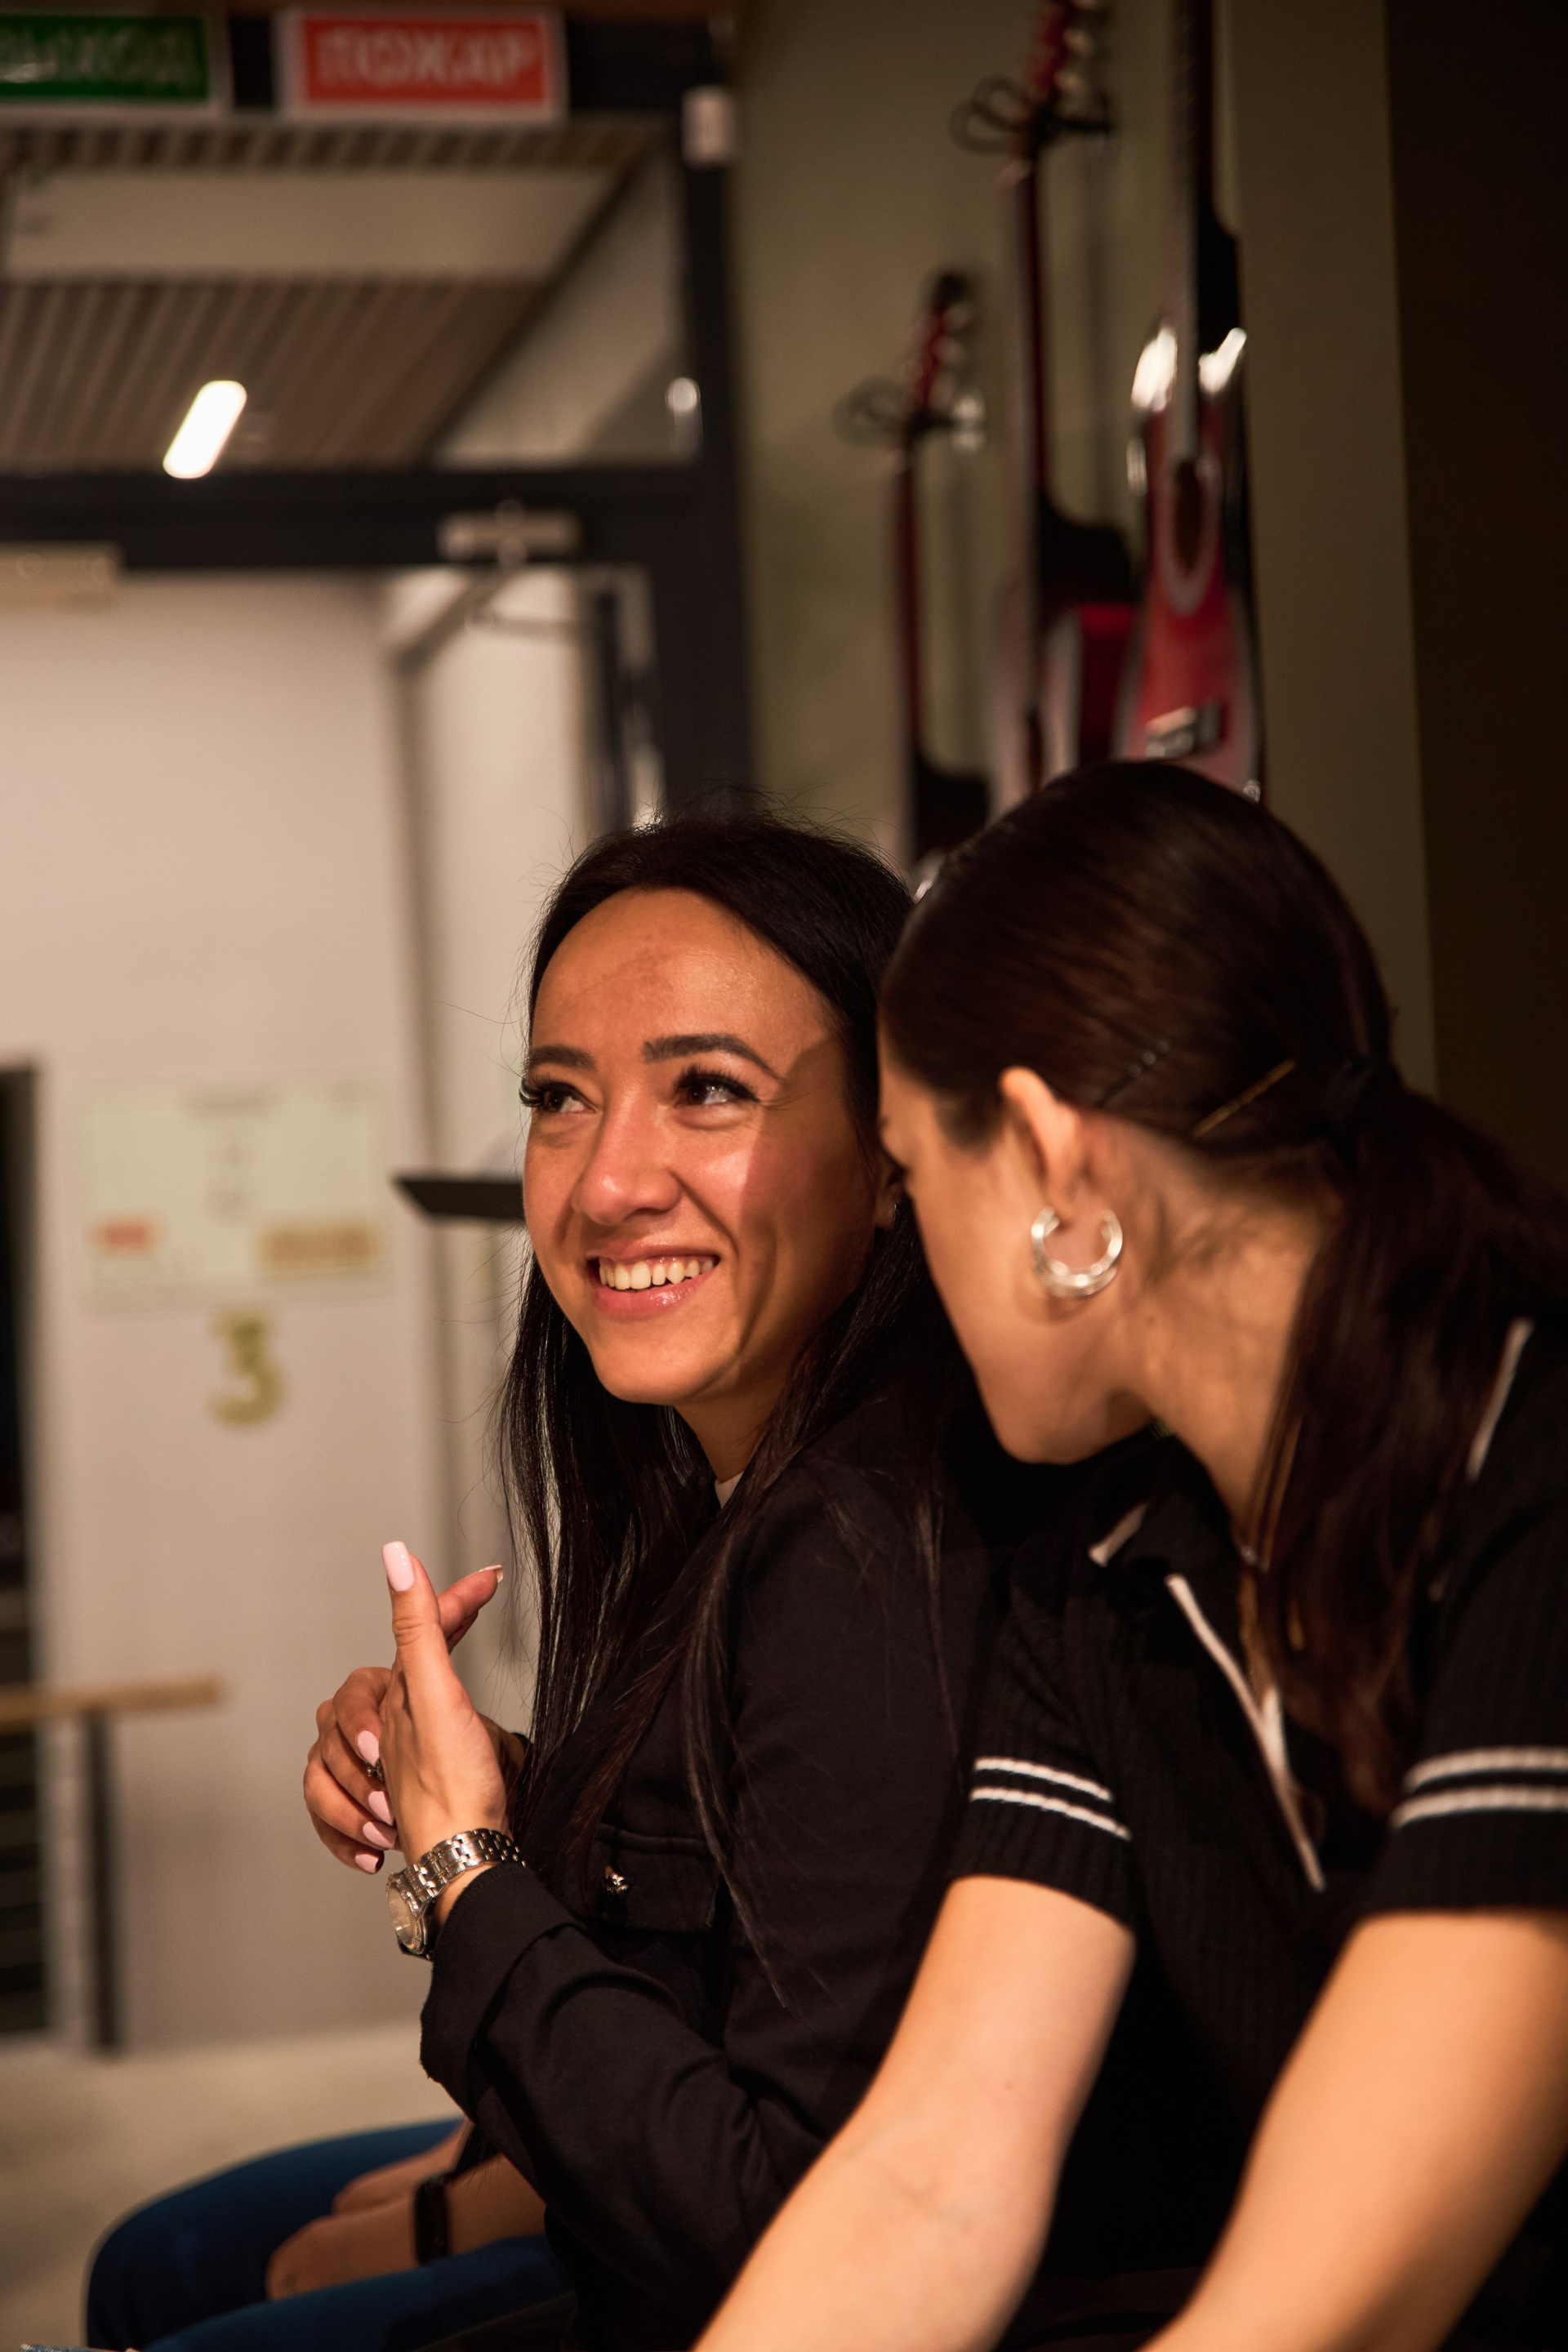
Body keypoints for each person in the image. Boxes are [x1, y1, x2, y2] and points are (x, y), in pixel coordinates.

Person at [88, 813, 1071, 2352]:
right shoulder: (742, 1493)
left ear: (894, 1158)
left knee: (175, 2278)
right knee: (162, 2262)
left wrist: (463, 1873)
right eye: (558, 1098)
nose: (607, 1183)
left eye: (709, 1090)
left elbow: (763, 2223)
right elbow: (750, 1879)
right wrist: (502, 1789)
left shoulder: (864, 1549)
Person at [690, 764, 1568, 2352]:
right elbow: (932, 2176)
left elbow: (1340, 2298)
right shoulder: (1098, 1574)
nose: (908, 1240)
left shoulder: (1537, 1462)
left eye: (913, 1173)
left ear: (1052, 1162)